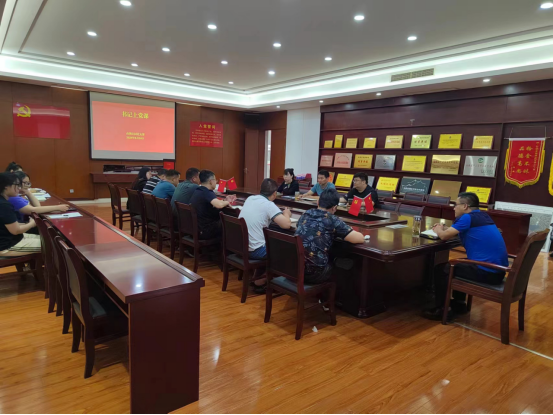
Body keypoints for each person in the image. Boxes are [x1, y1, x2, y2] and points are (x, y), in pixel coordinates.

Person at [422, 192, 509, 321]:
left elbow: (444, 236)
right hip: (498, 270)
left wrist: (438, 229)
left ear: (465, 206)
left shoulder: (467, 218)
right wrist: (446, 228)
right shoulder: (483, 215)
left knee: (442, 269)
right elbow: (465, 230)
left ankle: (442, 309)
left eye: (456, 205)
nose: (453, 208)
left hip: (487, 271)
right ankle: (459, 304)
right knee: (457, 264)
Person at [295, 188, 365, 284]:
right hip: (314, 274)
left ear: (318, 202)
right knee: (342, 267)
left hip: (295, 268)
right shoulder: (332, 219)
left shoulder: (306, 213)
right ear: (335, 208)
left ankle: (336, 260)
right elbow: (359, 238)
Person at [239, 178, 292, 293]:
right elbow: (286, 225)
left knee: (268, 242)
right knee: (287, 248)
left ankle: (258, 278)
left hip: (242, 246)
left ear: (260, 190)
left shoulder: (250, 198)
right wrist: (286, 214)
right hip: (256, 251)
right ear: (274, 193)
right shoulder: (269, 204)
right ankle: (267, 281)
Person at [0, 172, 41, 256]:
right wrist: (32, 223)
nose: (19, 188)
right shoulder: (4, 205)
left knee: (49, 239)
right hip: (7, 246)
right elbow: (16, 231)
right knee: (53, 245)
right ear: (6, 186)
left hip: (12, 239)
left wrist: (27, 224)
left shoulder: (3, 201)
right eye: (16, 185)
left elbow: (10, 225)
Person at [189, 170, 237, 239]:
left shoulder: (199, 190)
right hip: (205, 231)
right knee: (232, 223)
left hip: (197, 229)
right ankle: (230, 246)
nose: (216, 182)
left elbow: (214, 202)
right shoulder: (206, 192)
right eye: (215, 180)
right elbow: (219, 205)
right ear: (211, 181)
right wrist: (228, 202)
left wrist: (224, 200)